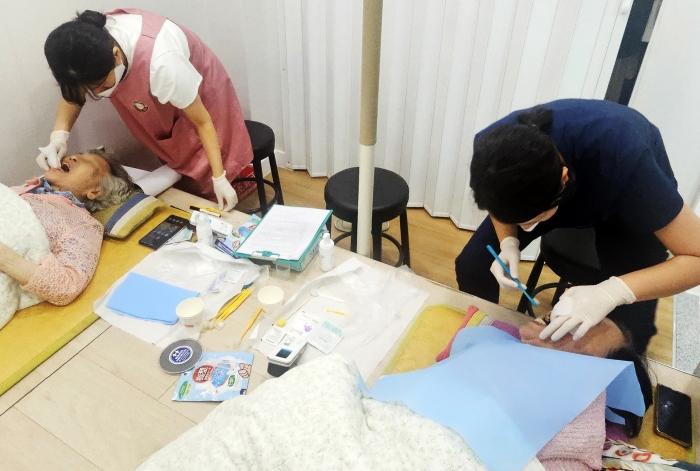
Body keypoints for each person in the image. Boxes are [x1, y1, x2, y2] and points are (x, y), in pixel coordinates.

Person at [456, 99, 700, 356]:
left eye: (529, 222)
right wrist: (508, 242)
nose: (523, 229)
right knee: (473, 266)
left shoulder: (629, 162)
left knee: (630, 328)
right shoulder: (495, 149)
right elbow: (497, 205)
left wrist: (611, 292)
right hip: (546, 192)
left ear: (564, 179)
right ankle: (482, 347)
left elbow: (696, 257)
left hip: (625, 196)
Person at [39, 8, 252, 210]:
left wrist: (219, 177)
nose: (95, 93)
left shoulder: (162, 63)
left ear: (116, 55)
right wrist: (59, 136)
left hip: (198, 96)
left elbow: (203, 122)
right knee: (180, 159)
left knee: (204, 161)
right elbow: (73, 96)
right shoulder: (84, 45)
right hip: (161, 93)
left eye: (100, 86)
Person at [1, 148, 132, 308]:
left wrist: (5, 258)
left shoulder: (83, 224)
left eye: (88, 162)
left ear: (95, 191)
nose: (73, 156)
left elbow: (66, 287)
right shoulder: (22, 190)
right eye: (78, 154)